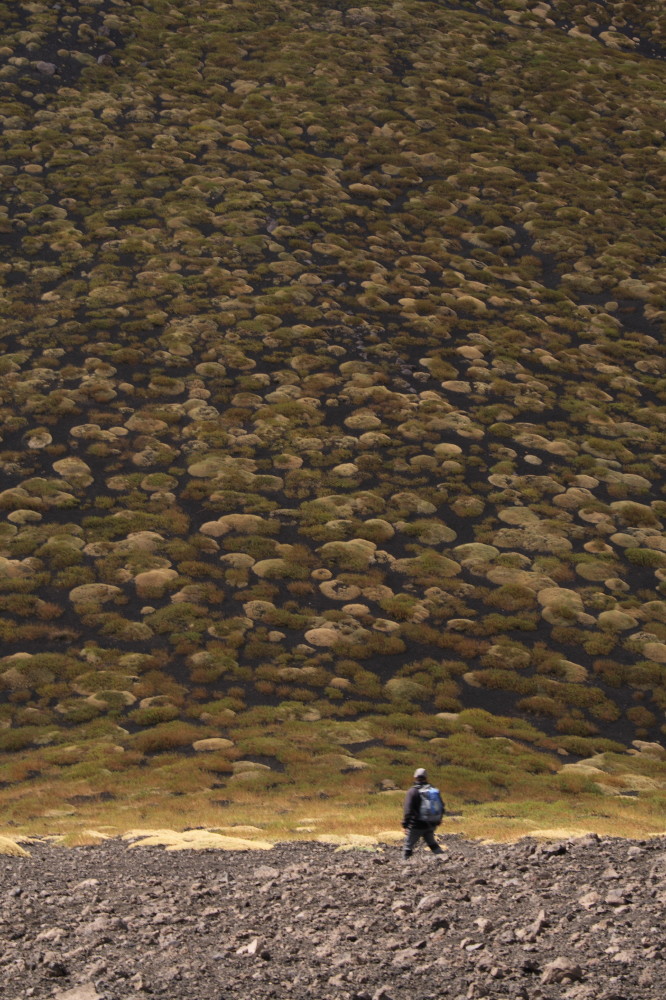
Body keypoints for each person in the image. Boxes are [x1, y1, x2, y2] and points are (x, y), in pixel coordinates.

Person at [402, 767, 444, 859]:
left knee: (408, 846)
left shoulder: (412, 791)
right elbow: (441, 806)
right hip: (430, 824)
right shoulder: (433, 790)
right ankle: (445, 858)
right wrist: (437, 820)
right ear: (426, 777)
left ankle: (404, 863)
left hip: (416, 825)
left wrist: (405, 825)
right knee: (432, 843)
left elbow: (408, 811)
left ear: (415, 777)